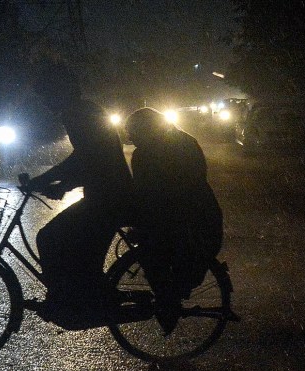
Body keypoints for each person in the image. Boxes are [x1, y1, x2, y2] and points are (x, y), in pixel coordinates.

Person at [26, 61, 133, 309]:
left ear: (58, 92)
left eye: (46, 95)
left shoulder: (78, 114)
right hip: (107, 194)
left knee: (49, 237)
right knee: (76, 248)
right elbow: (85, 158)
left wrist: (53, 182)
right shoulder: (82, 110)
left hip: (109, 198)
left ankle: (66, 300)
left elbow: (89, 159)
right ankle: (78, 298)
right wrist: (55, 182)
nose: (45, 102)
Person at [125, 107, 223, 332]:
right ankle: (170, 301)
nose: (133, 140)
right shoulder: (185, 142)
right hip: (203, 220)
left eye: (134, 134)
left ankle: (168, 306)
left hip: (186, 226)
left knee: (154, 257)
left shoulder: (145, 155)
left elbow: (148, 195)